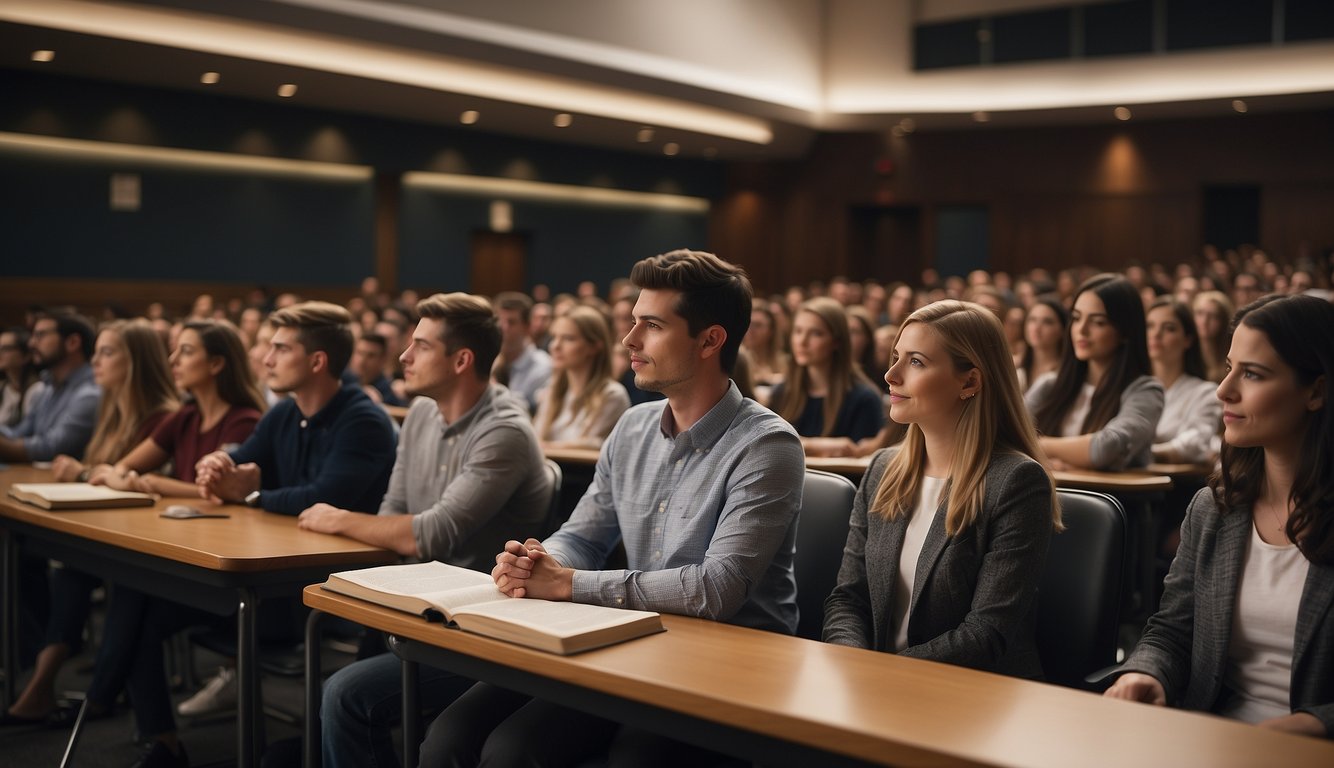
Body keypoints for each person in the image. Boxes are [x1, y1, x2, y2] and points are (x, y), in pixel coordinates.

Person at [418, 249, 805, 767]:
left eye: (651, 325)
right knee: (451, 733)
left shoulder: (767, 445)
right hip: (635, 641)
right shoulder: (633, 427)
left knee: (518, 751)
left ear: (711, 340)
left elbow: (716, 589)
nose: (630, 340)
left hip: (726, 667)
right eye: (632, 322)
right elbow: (582, 536)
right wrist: (538, 560)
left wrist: (568, 583)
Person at [298, 293, 552, 768]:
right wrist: (384, 534)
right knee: (335, 684)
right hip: (415, 607)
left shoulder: (505, 431)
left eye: (420, 346)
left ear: (461, 360)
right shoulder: (419, 414)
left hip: (479, 629)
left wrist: (337, 517)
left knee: (342, 694)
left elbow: (428, 535)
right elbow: (394, 510)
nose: (403, 356)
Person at [1104, 295, 1334, 739]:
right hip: (1211, 736)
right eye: (1229, 366)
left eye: (1252, 374)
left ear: (1317, 391)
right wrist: (1146, 674)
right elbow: (1172, 631)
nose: (1223, 390)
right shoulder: (1215, 509)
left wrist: (1315, 724)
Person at [42, 320, 264, 741]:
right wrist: (131, 477)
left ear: (217, 364)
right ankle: (151, 734)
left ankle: (105, 700)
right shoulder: (185, 417)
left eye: (186, 351)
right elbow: (124, 468)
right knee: (130, 589)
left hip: (225, 574)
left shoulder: (244, 421)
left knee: (131, 597)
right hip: (181, 558)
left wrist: (155, 483)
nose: (173, 361)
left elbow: (221, 491)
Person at [822, 300, 1060, 677]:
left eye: (915, 362)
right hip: (875, 684)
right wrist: (855, 665)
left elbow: (985, 634)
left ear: (969, 382)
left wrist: (880, 675)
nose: (890, 375)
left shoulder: (1016, 482)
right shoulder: (883, 469)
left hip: (972, 699)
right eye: (895, 356)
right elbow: (848, 598)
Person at [1, 318, 178, 727]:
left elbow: (122, 477)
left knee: (100, 578)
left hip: (148, 543)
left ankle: (83, 694)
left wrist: (85, 471)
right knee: (70, 569)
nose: (95, 362)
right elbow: (106, 473)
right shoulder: (113, 409)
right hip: (111, 532)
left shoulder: (163, 416)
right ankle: (47, 683)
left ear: (135, 361)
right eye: (96, 352)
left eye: (107, 352)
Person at [1026, 274, 1164, 471]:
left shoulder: (1146, 390)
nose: (1081, 330)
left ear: (1125, 331)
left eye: (1098, 322)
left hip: (1114, 499)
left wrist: (1039, 446)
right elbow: (1005, 437)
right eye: (1076, 318)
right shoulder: (1050, 385)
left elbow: (1105, 448)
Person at [771, 297, 885, 454]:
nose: (802, 341)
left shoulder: (864, 398)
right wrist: (816, 445)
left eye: (816, 333)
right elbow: (766, 444)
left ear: (837, 341)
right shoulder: (781, 392)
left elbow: (858, 460)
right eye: (798, 331)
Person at [0, 311, 100, 462]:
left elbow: (52, 448)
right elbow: (20, 433)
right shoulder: (47, 388)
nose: (31, 343)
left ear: (72, 342)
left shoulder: (91, 392)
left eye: (40, 335)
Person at [533, 305, 630, 449]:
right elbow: (535, 438)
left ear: (594, 346)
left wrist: (544, 446)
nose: (555, 346)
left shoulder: (612, 395)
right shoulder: (552, 391)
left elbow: (591, 447)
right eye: (554, 337)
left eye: (568, 338)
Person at [1146, 297, 1223, 465]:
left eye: (1169, 328)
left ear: (1187, 339)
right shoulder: (1134, 387)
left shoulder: (1204, 392)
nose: (1155, 334)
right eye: (1149, 326)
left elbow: (1193, 444)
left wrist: (1138, 454)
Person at [490, 292, 551, 412]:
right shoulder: (490, 361)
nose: (503, 328)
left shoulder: (543, 367)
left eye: (511, 322)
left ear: (527, 327)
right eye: (498, 321)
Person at [1017, 296, 1068, 392]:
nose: (1036, 328)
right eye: (1032, 320)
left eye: (1047, 322)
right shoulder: (1016, 368)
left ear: (1063, 329)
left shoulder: (1065, 373)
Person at [346, 332, 405, 406]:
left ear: (383, 359)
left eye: (371, 356)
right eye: (359, 353)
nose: (362, 360)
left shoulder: (388, 392)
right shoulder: (341, 380)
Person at [0, 327, 41, 428]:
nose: (0, 353)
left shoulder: (37, 390)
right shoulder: (3, 387)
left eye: (6, 349)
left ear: (26, 356)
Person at [1193, 290, 1235, 382]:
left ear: (1224, 321)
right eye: (1200, 313)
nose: (1205, 321)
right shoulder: (1186, 354)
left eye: (1213, 316)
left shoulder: (1232, 355)